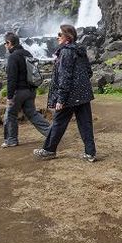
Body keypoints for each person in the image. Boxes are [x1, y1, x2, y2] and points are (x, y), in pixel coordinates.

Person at [33, 25, 96, 161]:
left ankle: (49, 150)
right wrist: (81, 85)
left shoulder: (66, 52)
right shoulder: (80, 51)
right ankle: (90, 153)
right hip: (83, 94)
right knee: (85, 123)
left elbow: (64, 77)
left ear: (68, 38)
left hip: (69, 97)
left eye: (59, 34)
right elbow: (89, 72)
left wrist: (60, 99)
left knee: (58, 122)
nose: (57, 37)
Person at [2, 32, 50, 148]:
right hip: (31, 90)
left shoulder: (13, 57)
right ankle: (51, 133)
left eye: (5, 43)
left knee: (10, 114)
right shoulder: (27, 53)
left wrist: (9, 97)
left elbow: (11, 79)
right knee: (32, 113)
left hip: (19, 91)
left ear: (9, 43)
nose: (5, 46)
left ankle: (11, 140)